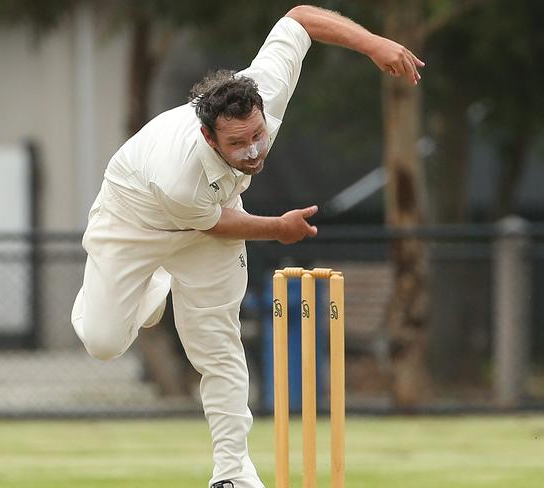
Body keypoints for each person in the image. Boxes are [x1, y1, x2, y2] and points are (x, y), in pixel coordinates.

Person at [71, 5, 423, 488]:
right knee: (104, 342)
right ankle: (150, 286)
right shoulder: (180, 174)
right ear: (208, 137)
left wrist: (374, 44)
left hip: (208, 222)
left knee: (216, 347)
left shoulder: (263, 89)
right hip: (135, 220)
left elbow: (299, 18)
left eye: (258, 135)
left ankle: (232, 472)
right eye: (239, 144)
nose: (255, 150)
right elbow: (216, 222)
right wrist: (278, 228)